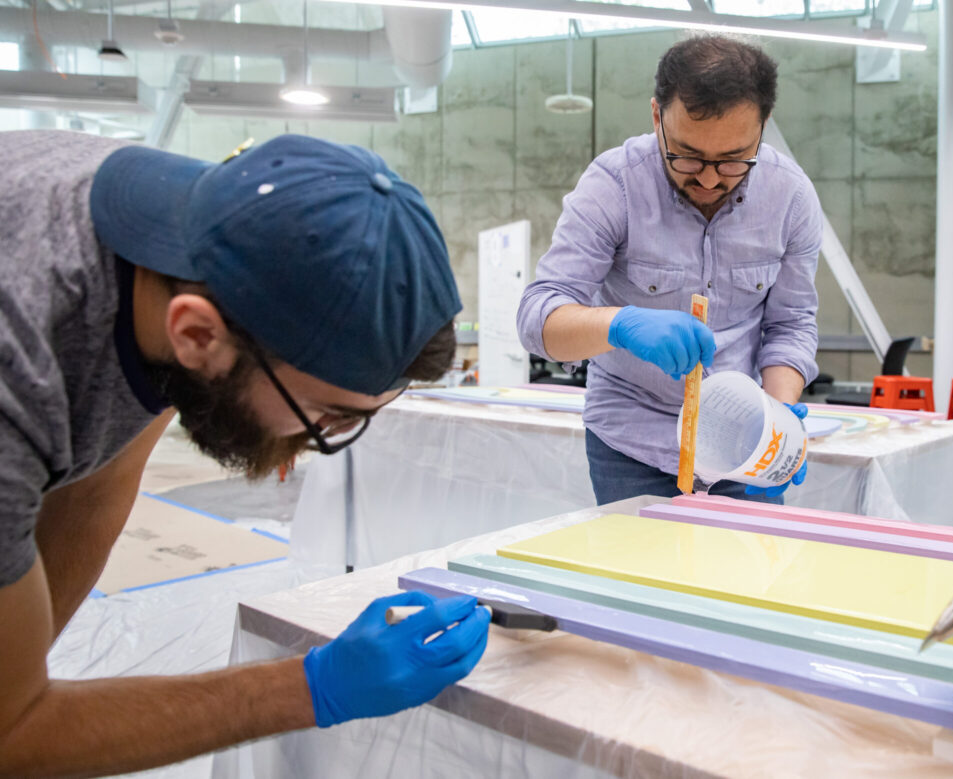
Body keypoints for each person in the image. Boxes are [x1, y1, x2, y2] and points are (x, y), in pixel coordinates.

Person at [0, 130, 489, 775]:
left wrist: (24, 669)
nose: (321, 440)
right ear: (197, 334)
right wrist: (310, 688)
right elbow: (11, 733)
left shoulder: (221, 239)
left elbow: (96, 488)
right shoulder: (19, 365)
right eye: (325, 415)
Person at [518, 35, 822, 505]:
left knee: (747, 577)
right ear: (657, 116)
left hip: (743, 440)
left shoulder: (791, 198)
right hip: (632, 443)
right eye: (688, 155)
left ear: (762, 126)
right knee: (636, 578)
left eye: (733, 160)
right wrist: (619, 325)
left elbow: (791, 324)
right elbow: (539, 319)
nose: (708, 178)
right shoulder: (613, 186)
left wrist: (778, 414)